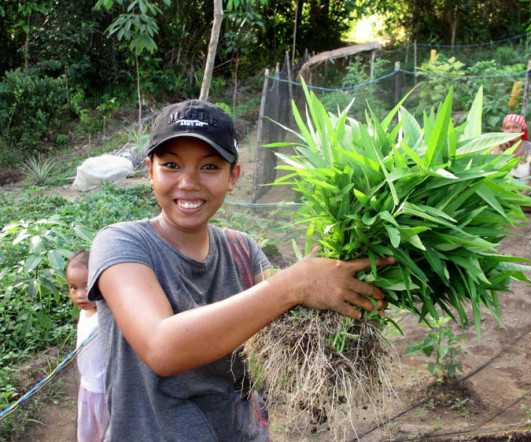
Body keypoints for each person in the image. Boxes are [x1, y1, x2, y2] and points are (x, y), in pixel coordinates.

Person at [87, 99, 395, 441]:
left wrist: (347, 278)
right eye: (171, 165)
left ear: (233, 176)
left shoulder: (242, 249)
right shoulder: (121, 244)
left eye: (209, 167)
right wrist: (295, 283)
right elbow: (162, 347)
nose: (188, 182)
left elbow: (290, 316)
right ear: (150, 171)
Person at [66, 250, 109, 442]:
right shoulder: (85, 312)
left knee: (109, 432)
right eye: (73, 288)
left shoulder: (108, 315)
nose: (80, 295)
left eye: (87, 286)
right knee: (88, 434)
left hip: (105, 390)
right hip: (87, 387)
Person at [491, 113, 531, 213]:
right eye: (508, 128)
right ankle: (511, 207)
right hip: (502, 192)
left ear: (522, 130)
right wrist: (496, 147)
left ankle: (507, 207)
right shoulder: (497, 148)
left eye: (515, 127)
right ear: (503, 131)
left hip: (526, 192)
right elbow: (491, 171)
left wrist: (520, 196)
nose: (511, 131)